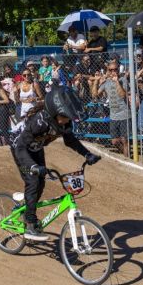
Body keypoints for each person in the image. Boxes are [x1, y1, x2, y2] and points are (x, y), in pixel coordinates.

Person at [10, 87, 101, 240]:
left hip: (36, 148)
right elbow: (20, 147)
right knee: (33, 181)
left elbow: (70, 140)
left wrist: (87, 154)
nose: (67, 121)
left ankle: (26, 208)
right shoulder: (39, 122)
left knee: (41, 183)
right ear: (54, 113)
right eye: (64, 117)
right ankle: (30, 223)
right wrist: (32, 167)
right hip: (20, 149)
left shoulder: (62, 124)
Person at [92, 61, 131, 157]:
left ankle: (127, 160)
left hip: (124, 114)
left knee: (124, 140)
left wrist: (117, 81)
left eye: (115, 69)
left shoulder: (123, 80)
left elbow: (122, 95)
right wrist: (96, 81)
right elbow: (95, 95)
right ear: (108, 71)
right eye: (111, 70)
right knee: (114, 141)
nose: (113, 71)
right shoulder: (106, 83)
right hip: (113, 116)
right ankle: (127, 157)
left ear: (118, 70)